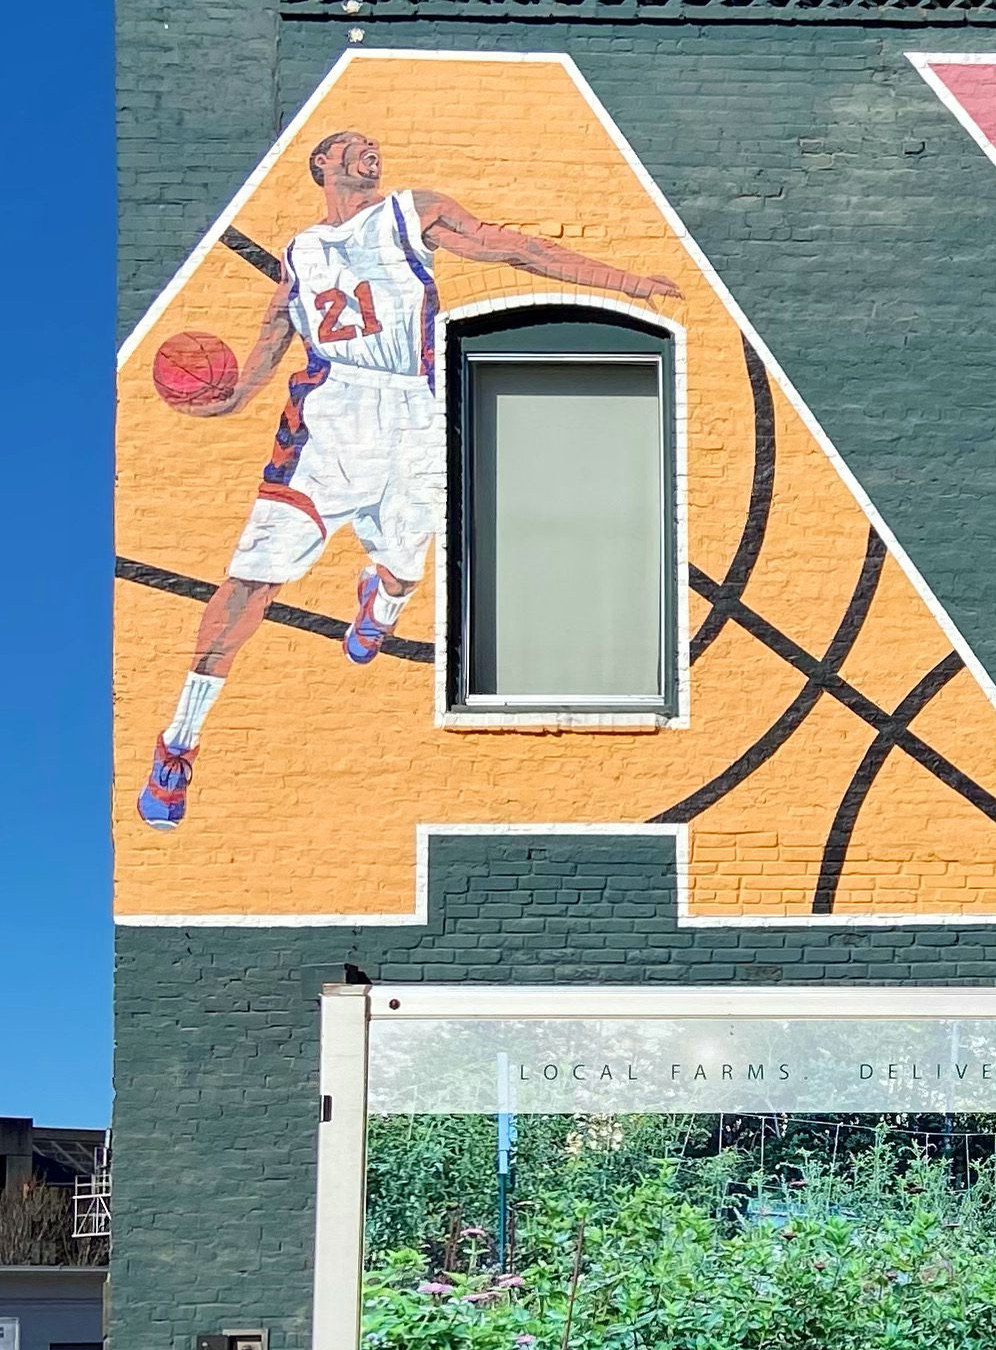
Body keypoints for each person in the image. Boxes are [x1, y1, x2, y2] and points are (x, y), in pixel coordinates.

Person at [135, 129, 684, 829]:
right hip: (330, 418)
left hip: (413, 416)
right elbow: (265, 351)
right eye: (350, 145)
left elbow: (518, 246)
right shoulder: (300, 255)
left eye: (371, 144)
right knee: (252, 577)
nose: (369, 149)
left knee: (402, 570)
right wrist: (227, 399)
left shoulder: (411, 211)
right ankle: (180, 741)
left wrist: (626, 281)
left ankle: (380, 601)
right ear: (322, 165)